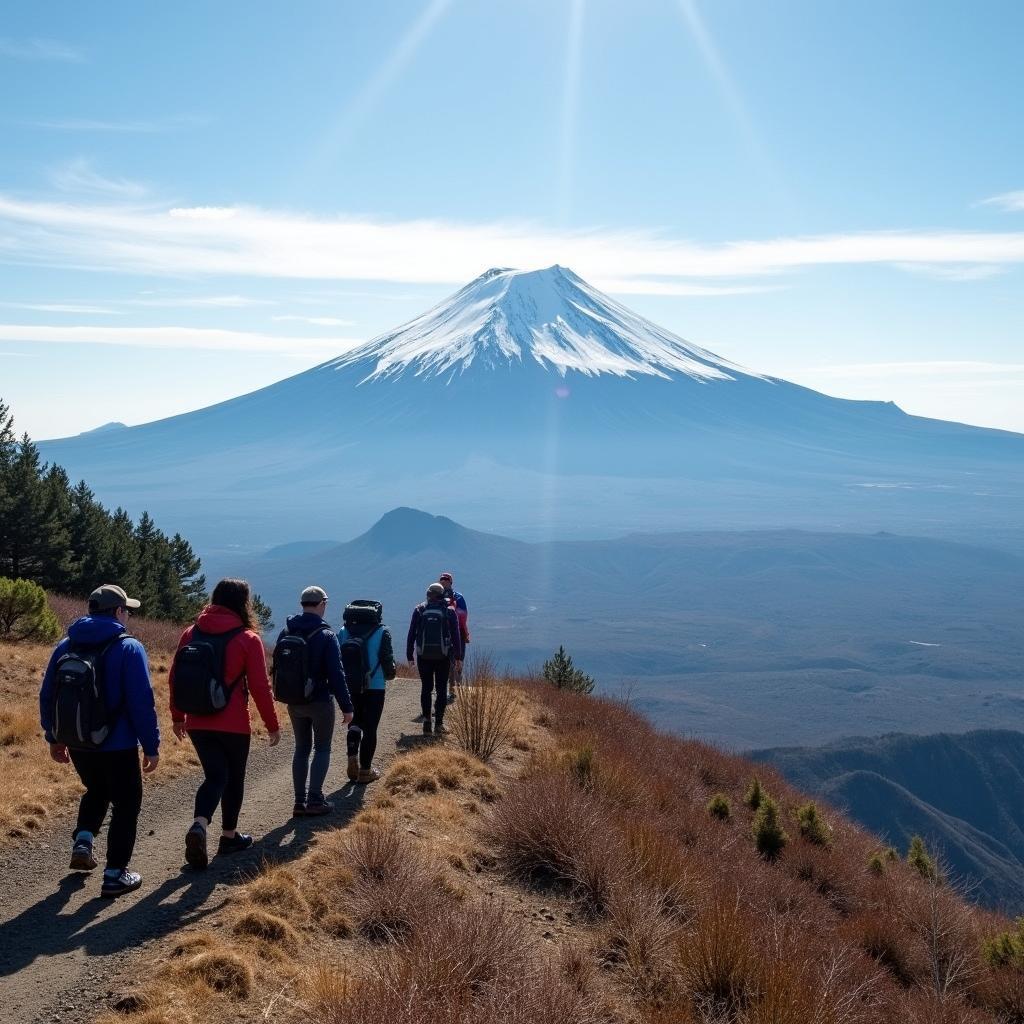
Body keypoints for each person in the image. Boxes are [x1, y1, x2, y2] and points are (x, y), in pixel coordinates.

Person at [38, 584, 160, 897]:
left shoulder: (66, 644)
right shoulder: (129, 647)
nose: (129, 615)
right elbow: (141, 702)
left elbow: (47, 693)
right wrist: (151, 745)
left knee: (96, 789)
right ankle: (115, 875)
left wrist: (53, 736)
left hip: (77, 740)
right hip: (117, 743)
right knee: (126, 803)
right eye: (127, 610)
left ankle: (84, 840)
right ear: (118, 611)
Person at [169, 578, 280, 869]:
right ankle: (229, 836)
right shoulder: (248, 639)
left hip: (196, 720)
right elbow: (260, 686)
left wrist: (177, 717)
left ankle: (200, 824)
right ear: (244, 603)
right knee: (234, 778)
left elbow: (174, 678)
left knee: (215, 775)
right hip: (232, 723)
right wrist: (272, 723)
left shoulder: (191, 633)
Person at [274, 586, 354, 816]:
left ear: (302, 604)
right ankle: (315, 799)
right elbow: (337, 674)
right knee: (322, 748)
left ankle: (299, 802)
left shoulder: (286, 630)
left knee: (301, 749)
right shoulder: (326, 635)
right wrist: (347, 707)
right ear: (322, 604)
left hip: (294, 701)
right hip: (319, 701)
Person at [338, 599, 397, 784]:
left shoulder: (343, 631)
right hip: (375, 686)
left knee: (354, 723)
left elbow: (337, 658)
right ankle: (365, 770)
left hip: (351, 685)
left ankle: (352, 756)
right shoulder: (382, 632)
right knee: (370, 729)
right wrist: (390, 674)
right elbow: (388, 662)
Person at [407, 583, 463, 735]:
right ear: (442, 595)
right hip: (443, 656)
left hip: (423, 655)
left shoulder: (419, 610)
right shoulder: (449, 611)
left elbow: (411, 633)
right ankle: (439, 725)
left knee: (426, 688)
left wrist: (409, 655)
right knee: (441, 689)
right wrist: (458, 657)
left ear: (428, 594)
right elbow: (456, 636)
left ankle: (426, 723)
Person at [439, 571, 469, 702]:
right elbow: (463, 616)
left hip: (451, 633)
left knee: (453, 660)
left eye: (445, 579)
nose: (444, 581)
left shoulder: (437, 597)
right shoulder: (456, 597)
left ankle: (452, 686)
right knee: (454, 660)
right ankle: (453, 688)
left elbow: (463, 616)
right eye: (443, 579)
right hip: (453, 633)